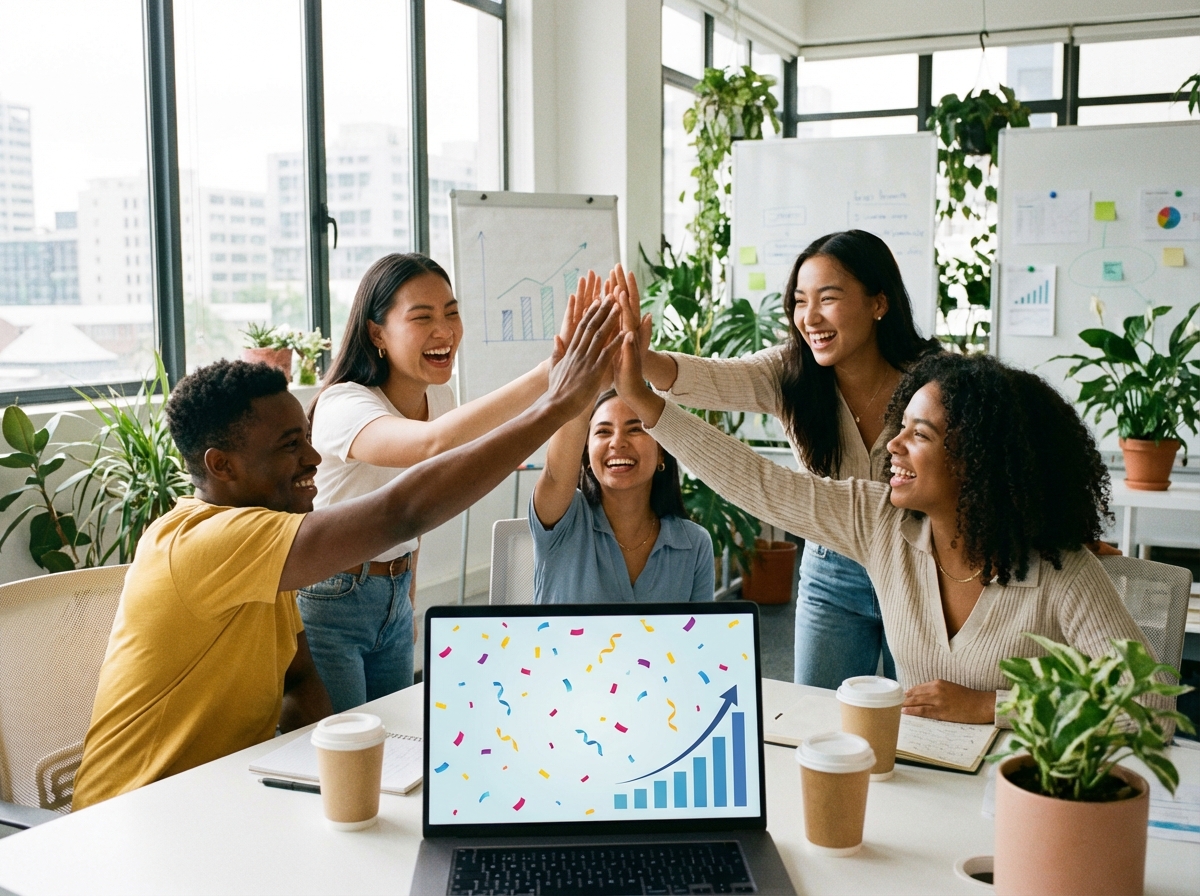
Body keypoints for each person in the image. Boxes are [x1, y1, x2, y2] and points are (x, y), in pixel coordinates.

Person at [72, 298, 620, 808]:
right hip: (134, 818)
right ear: (222, 466)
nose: (313, 456)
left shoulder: (266, 542)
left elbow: (301, 682)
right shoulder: (205, 541)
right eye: (291, 445)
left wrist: (333, 780)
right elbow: (399, 512)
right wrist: (559, 405)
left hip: (222, 800)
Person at [612, 337, 1163, 726]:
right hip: (922, 775)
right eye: (899, 428)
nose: (892, 446)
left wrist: (992, 706)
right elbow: (760, 483)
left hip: (1017, 796)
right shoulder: (880, 521)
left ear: (977, 460)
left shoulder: (1060, 569)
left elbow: (1149, 703)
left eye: (917, 435)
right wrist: (645, 402)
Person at [615, 231, 940, 688]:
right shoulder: (790, 371)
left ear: (878, 302)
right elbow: (711, 379)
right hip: (833, 568)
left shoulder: (937, 383)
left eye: (828, 298)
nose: (810, 318)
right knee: (818, 717)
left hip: (921, 566)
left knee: (920, 723)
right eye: (800, 301)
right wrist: (638, 357)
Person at [303, 253, 580, 712]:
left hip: (392, 592)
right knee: (344, 750)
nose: (445, 331)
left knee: (395, 746)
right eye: (422, 317)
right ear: (376, 333)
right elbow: (429, 446)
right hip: (331, 597)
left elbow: (423, 495)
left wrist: (404, 591)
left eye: (452, 312)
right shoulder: (343, 404)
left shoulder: (439, 396)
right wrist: (545, 377)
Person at [530, 273, 714, 604]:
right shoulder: (563, 522)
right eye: (602, 431)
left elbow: (700, 642)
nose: (618, 442)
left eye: (635, 428)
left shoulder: (694, 543)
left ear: (662, 453)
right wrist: (583, 380)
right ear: (585, 455)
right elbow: (557, 474)